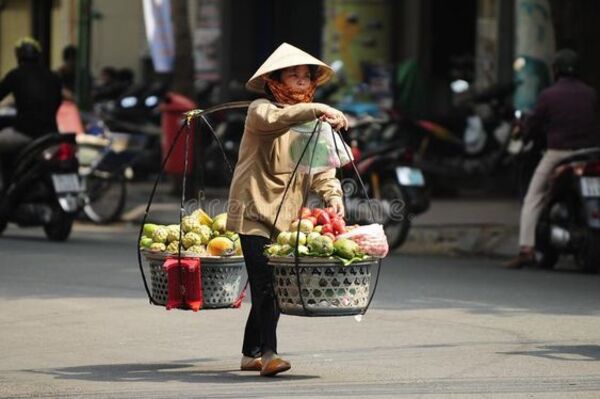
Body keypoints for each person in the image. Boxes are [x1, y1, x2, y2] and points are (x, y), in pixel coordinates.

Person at [225, 43, 349, 376]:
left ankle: (249, 353)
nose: (299, 79)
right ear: (275, 80)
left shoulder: (312, 121)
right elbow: (277, 119)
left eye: (305, 76)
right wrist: (318, 109)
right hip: (253, 210)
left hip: (287, 214)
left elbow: (322, 169)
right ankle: (269, 354)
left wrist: (332, 195)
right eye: (292, 74)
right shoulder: (260, 110)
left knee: (273, 285)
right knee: (266, 284)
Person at [505, 49, 600, 268]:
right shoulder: (591, 93)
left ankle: (526, 249)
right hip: (589, 153)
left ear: (555, 70)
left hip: (559, 155)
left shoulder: (549, 95)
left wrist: (524, 131)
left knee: (533, 197)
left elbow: (534, 124)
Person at [0, 37, 62, 169]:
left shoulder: (15, 74)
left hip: (25, 133)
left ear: (18, 56)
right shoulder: (53, 76)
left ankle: (5, 182)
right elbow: (57, 102)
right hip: (51, 134)